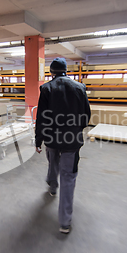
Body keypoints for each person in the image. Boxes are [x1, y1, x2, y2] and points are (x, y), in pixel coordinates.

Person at [34, 57, 91, 234]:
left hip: (51, 139)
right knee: (68, 177)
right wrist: (76, 130)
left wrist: (38, 140)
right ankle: (64, 222)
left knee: (52, 162)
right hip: (71, 141)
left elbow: (41, 118)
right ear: (67, 71)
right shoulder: (80, 87)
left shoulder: (46, 89)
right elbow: (86, 115)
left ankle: (52, 187)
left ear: (51, 72)